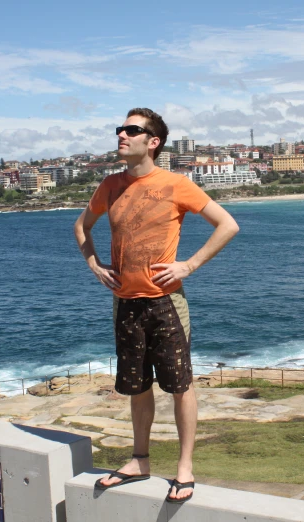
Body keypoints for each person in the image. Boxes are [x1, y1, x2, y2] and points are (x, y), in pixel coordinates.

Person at [74, 108, 239, 504]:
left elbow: (228, 224)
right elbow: (82, 226)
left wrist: (189, 264)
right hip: (125, 303)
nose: (121, 135)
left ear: (153, 142)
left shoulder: (175, 184)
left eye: (132, 130)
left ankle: (185, 468)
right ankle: (139, 460)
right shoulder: (109, 185)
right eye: (120, 129)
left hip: (166, 301)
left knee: (180, 385)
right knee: (137, 386)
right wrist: (95, 265)